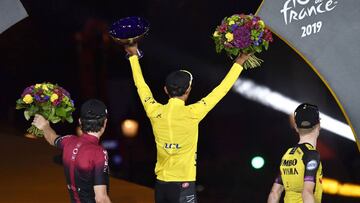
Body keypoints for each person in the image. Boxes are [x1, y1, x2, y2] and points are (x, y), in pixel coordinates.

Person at [124, 43, 250, 203]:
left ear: (165, 90)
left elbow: (141, 86)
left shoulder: (154, 110)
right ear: (188, 90)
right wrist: (240, 62)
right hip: (183, 186)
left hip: (161, 186)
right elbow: (221, 89)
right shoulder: (193, 113)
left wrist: (133, 57)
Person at [32, 99, 112, 203]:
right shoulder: (99, 153)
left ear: (80, 121)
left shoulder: (68, 141)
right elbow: (101, 198)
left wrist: (44, 126)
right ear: (105, 122)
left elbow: (52, 138)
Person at [267, 103, 323, 203]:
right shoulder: (312, 155)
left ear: (296, 127)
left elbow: (274, 193)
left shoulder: (287, 155)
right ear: (318, 125)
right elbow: (307, 193)